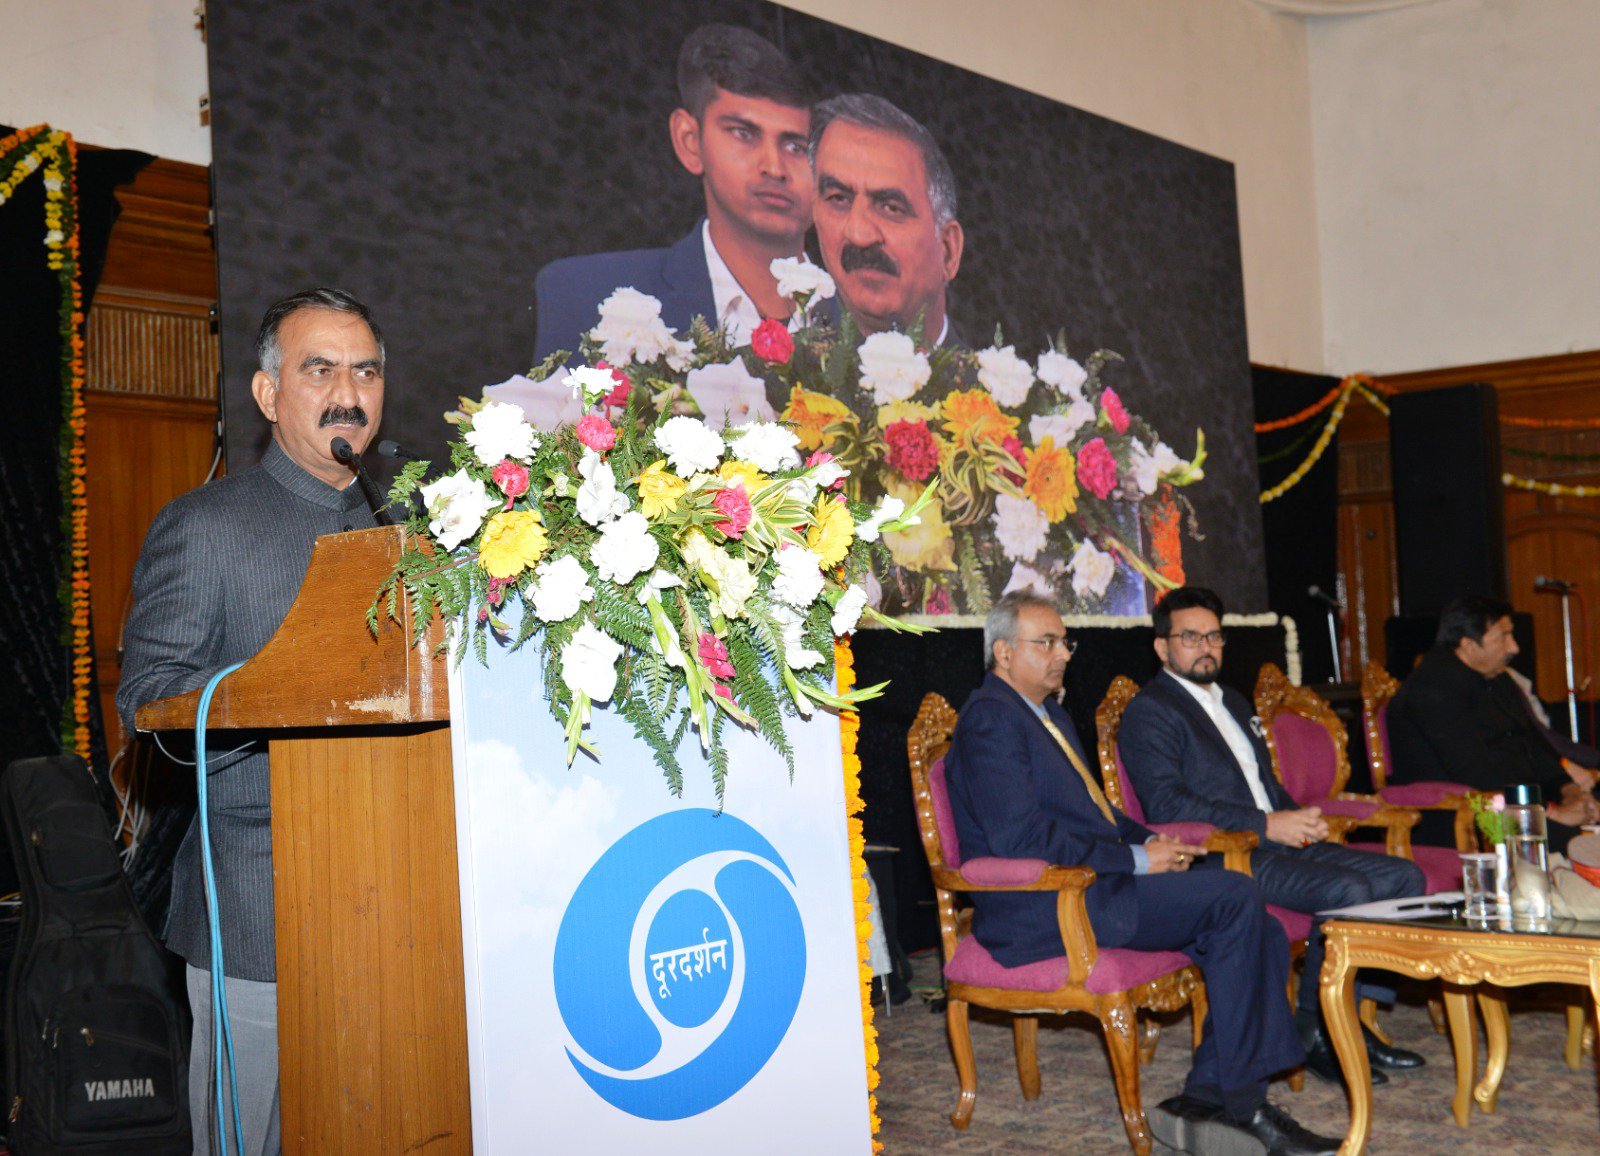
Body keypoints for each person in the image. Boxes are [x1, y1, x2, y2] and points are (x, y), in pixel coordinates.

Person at [117, 288, 389, 1155]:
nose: (348, 392)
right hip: (258, 911)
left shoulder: (408, 529)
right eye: (321, 369)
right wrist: (282, 688)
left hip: (402, 899)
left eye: (366, 371)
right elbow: (148, 700)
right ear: (269, 393)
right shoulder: (205, 527)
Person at [946, 591, 1339, 1156]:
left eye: (1065, 642)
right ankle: (1241, 1106)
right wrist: (1134, 860)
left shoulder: (1046, 713)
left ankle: (1212, 1095)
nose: (1063, 655)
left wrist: (1148, 840)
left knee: (1261, 928)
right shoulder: (990, 720)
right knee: (1234, 896)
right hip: (1046, 904)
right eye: (1047, 643)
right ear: (1004, 653)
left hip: (1093, 886)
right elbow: (1021, 839)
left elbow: (1096, 813)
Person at [1119, 586, 1428, 1087]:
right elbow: (1168, 807)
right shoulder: (1151, 712)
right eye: (1190, 637)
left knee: (1403, 879)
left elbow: (1265, 787)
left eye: (1214, 636)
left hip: (1275, 842)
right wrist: (1265, 825)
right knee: (1349, 890)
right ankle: (1317, 1031)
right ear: (1162, 647)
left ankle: (1350, 1019)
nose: (1206, 647)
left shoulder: (1233, 700)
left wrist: (1297, 817)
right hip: (1221, 857)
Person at [533, 24, 819, 359]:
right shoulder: (586, 296)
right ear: (690, 141)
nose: (774, 167)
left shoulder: (863, 321)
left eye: (796, 147)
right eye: (744, 133)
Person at [1387, 595, 1600, 852]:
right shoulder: (1431, 690)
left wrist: (1569, 791)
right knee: (1588, 847)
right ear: (1468, 645)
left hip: (1520, 806)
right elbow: (1475, 772)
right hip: (1462, 819)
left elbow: (1532, 743)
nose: (1514, 648)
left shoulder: (1496, 678)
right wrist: (1550, 814)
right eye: (1503, 637)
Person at [808, 93, 963, 345]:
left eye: (891, 208)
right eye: (839, 199)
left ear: (948, 251)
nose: (858, 234)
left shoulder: (994, 374)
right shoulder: (761, 366)